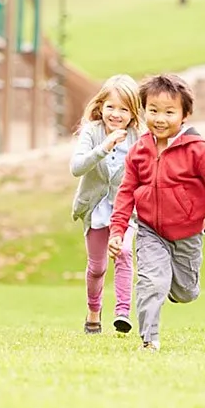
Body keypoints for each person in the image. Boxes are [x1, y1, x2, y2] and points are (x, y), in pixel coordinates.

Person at [108, 74, 205, 351]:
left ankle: (173, 287)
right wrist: (117, 230)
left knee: (185, 292)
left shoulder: (200, 151)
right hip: (149, 230)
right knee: (152, 282)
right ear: (144, 111)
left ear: (185, 115)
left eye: (169, 112)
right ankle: (149, 339)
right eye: (153, 111)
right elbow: (126, 192)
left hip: (188, 233)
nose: (160, 119)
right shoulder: (138, 151)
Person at [70, 74, 142, 335]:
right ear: (100, 106)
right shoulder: (92, 132)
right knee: (98, 267)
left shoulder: (138, 138)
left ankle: (122, 313)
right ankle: (93, 310)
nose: (116, 114)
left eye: (124, 109)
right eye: (111, 107)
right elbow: (76, 168)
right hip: (95, 208)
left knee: (123, 252)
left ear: (133, 114)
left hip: (126, 210)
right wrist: (104, 146)